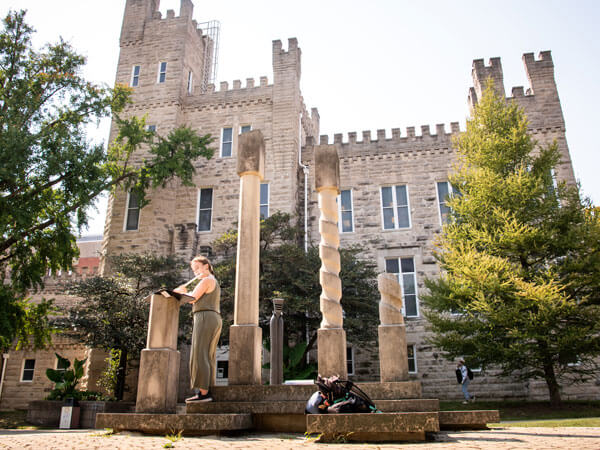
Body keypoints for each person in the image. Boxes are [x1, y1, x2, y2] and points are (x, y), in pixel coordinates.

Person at [174, 256, 222, 403]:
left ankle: (203, 393)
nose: (196, 273)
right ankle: (205, 390)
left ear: (206, 266)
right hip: (211, 317)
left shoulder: (207, 280)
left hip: (205, 316)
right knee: (207, 354)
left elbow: (192, 298)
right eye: (194, 270)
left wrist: (181, 291)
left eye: (197, 268)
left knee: (199, 353)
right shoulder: (212, 280)